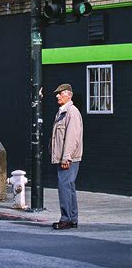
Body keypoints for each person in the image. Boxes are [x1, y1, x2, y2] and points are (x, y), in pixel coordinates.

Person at [50, 83, 83, 230]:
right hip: (65, 157)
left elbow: (72, 137)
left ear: (69, 95)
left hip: (68, 158)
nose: (57, 95)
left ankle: (66, 219)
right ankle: (72, 218)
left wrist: (66, 157)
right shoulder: (62, 112)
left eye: (60, 93)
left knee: (64, 187)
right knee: (69, 187)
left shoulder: (72, 113)